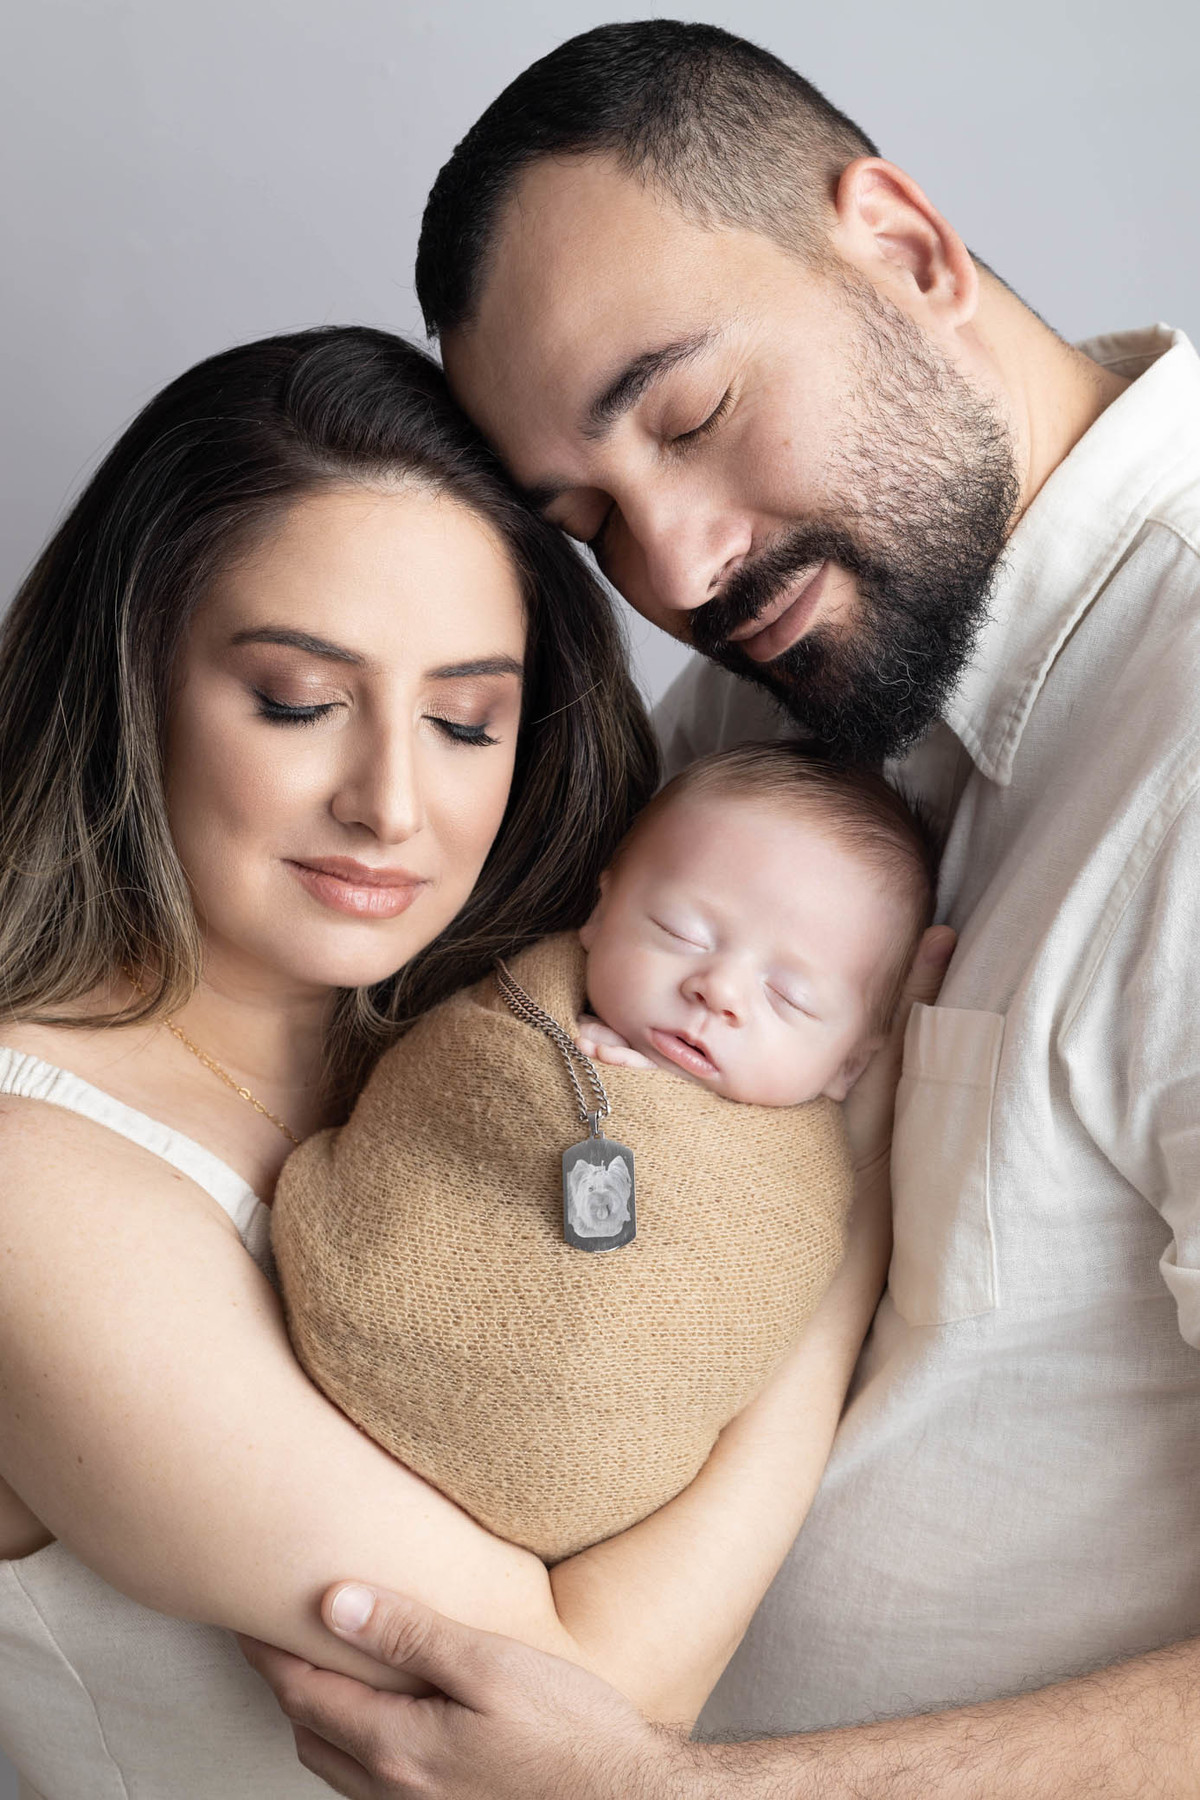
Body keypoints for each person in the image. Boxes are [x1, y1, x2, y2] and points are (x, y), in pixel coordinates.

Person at [244, 20, 1200, 1797]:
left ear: (907, 249)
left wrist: (679, 1797)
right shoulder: (765, 695)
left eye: (689, 416)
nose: (674, 570)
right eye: (591, 520)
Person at [0, 321, 919, 1799]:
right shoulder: (33, 1177)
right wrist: (854, 1215)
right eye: (298, 702)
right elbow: (589, 1712)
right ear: (131, 679)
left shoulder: (505, 1038)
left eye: (463, 720)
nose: (391, 803)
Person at [269, 745, 936, 1563]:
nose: (719, 991)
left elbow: (745, 1304)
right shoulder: (509, 1016)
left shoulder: (793, 1182)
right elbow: (429, 1120)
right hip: (326, 1397)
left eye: (789, 997)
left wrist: (662, 1118)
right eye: (681, 932)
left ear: (850, 1065)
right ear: (599, 912)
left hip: (585, 1483)